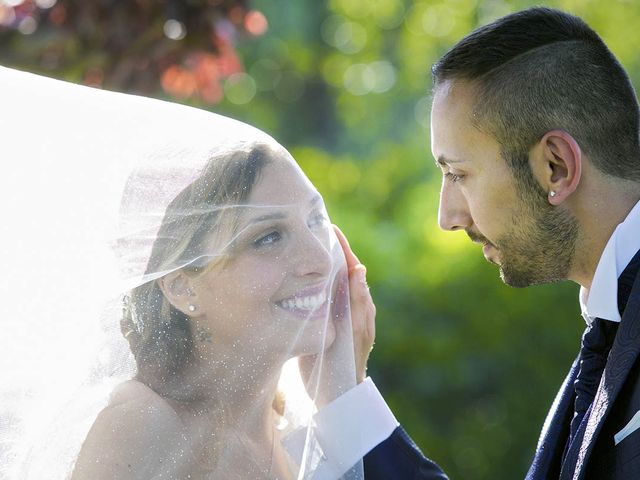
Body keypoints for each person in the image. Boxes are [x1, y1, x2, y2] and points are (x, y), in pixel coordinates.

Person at [0, 66, 390, 479]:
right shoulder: (143, 424)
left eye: (314, 220)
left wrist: (346, 391)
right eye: (268, 237)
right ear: (182, 286)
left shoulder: (298, 435)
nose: (320, 258)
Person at [355, 6, 640, 480]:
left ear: (556, 167)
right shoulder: (609, 327)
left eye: (458, 174)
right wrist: (345, 397)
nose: (447, 217)